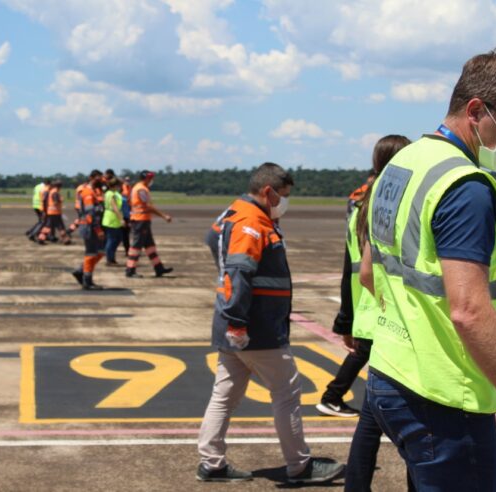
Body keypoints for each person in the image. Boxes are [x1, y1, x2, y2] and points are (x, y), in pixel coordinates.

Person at [360, 49, 496, 491]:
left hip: (389, 376)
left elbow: (369, 271)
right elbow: (470, 311)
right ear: (476, 110)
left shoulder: (402, 164)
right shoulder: (464, 187)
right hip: (443, 397)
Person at [197, 163, 344, 485]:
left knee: (225, 393)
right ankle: (299, 466)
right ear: (268, 191)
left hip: (234, 322)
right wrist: (238, 320)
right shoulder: (252, 222)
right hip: (255, 325)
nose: (284, 202)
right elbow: (239, 271)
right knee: (287, 391)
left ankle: (211, 462)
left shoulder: (234, 213)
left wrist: (230, 314)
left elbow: (212, 239)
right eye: (283, 196)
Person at [317, 135, 411, 419]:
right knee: (370, 353)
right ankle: (334, 395)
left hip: (362, 293)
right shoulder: (387, 201)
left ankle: (342, 398)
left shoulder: (359, 201)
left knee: (367, 351)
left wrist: (344, 317)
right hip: (379, 291)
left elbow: (349, 264)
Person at [125, 170, 173, 278]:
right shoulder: (141, 189)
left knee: (150, 246)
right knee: (136, 246)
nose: (152, 180)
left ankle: (159, 268)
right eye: (150, 178)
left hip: (142, 220)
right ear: (146, 178)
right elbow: (148, 206)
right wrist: (163, 216)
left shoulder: (137, 187)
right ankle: (130, 270)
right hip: (140, 220)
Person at [72, 171, 106, 289]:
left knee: (101, 251)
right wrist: (98, 229)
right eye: (98, 179)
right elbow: (90, 213)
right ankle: (87, 281)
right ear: (91, 178)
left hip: (94, 225)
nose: (100, 181)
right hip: (90, 226)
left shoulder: (94, 192)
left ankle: (81, 270)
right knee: (91, 253)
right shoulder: (87, 192)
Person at [37, 180, 71, 245]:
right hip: (55, 212)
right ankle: (66, 239)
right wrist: (61, 200)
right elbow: (55, 202)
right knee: (61, 226)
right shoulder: (55, 192)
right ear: (59, 186)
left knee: (47, 226)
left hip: (50, 212)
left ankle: (41, 238)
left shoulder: (51, 191)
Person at [102, 177, 124, 266]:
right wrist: (121, 219)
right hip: (112, 219)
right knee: (112, 240)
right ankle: (109, 259)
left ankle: (111, 258)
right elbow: (115, 207)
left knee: (116, 239)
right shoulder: (111, 194)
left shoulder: (110, 193)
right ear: (115, 185)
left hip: (111, 219)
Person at [120, 176, 132, 256]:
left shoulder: (130, 188)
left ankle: (127, 249)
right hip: (123, 212)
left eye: (128, 180)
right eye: (126, 180)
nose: (127, 181)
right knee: (123, 234)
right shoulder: (122, 188)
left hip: (128, 211)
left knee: (126, 234)